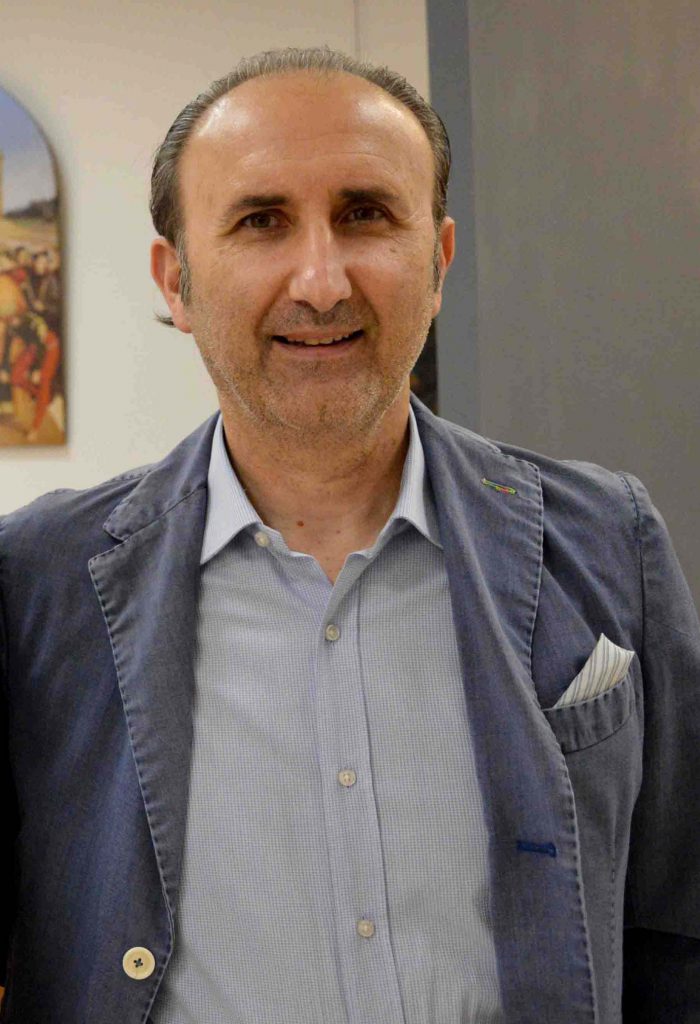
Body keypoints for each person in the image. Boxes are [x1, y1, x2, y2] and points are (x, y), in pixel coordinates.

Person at [0, 45, 698, 1024]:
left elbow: (677, 932)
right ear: (176, 282)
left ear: (438, 261)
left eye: (366, 214)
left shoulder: (607, 541)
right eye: (260, 221)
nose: (322, 281)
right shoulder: (37, 581)